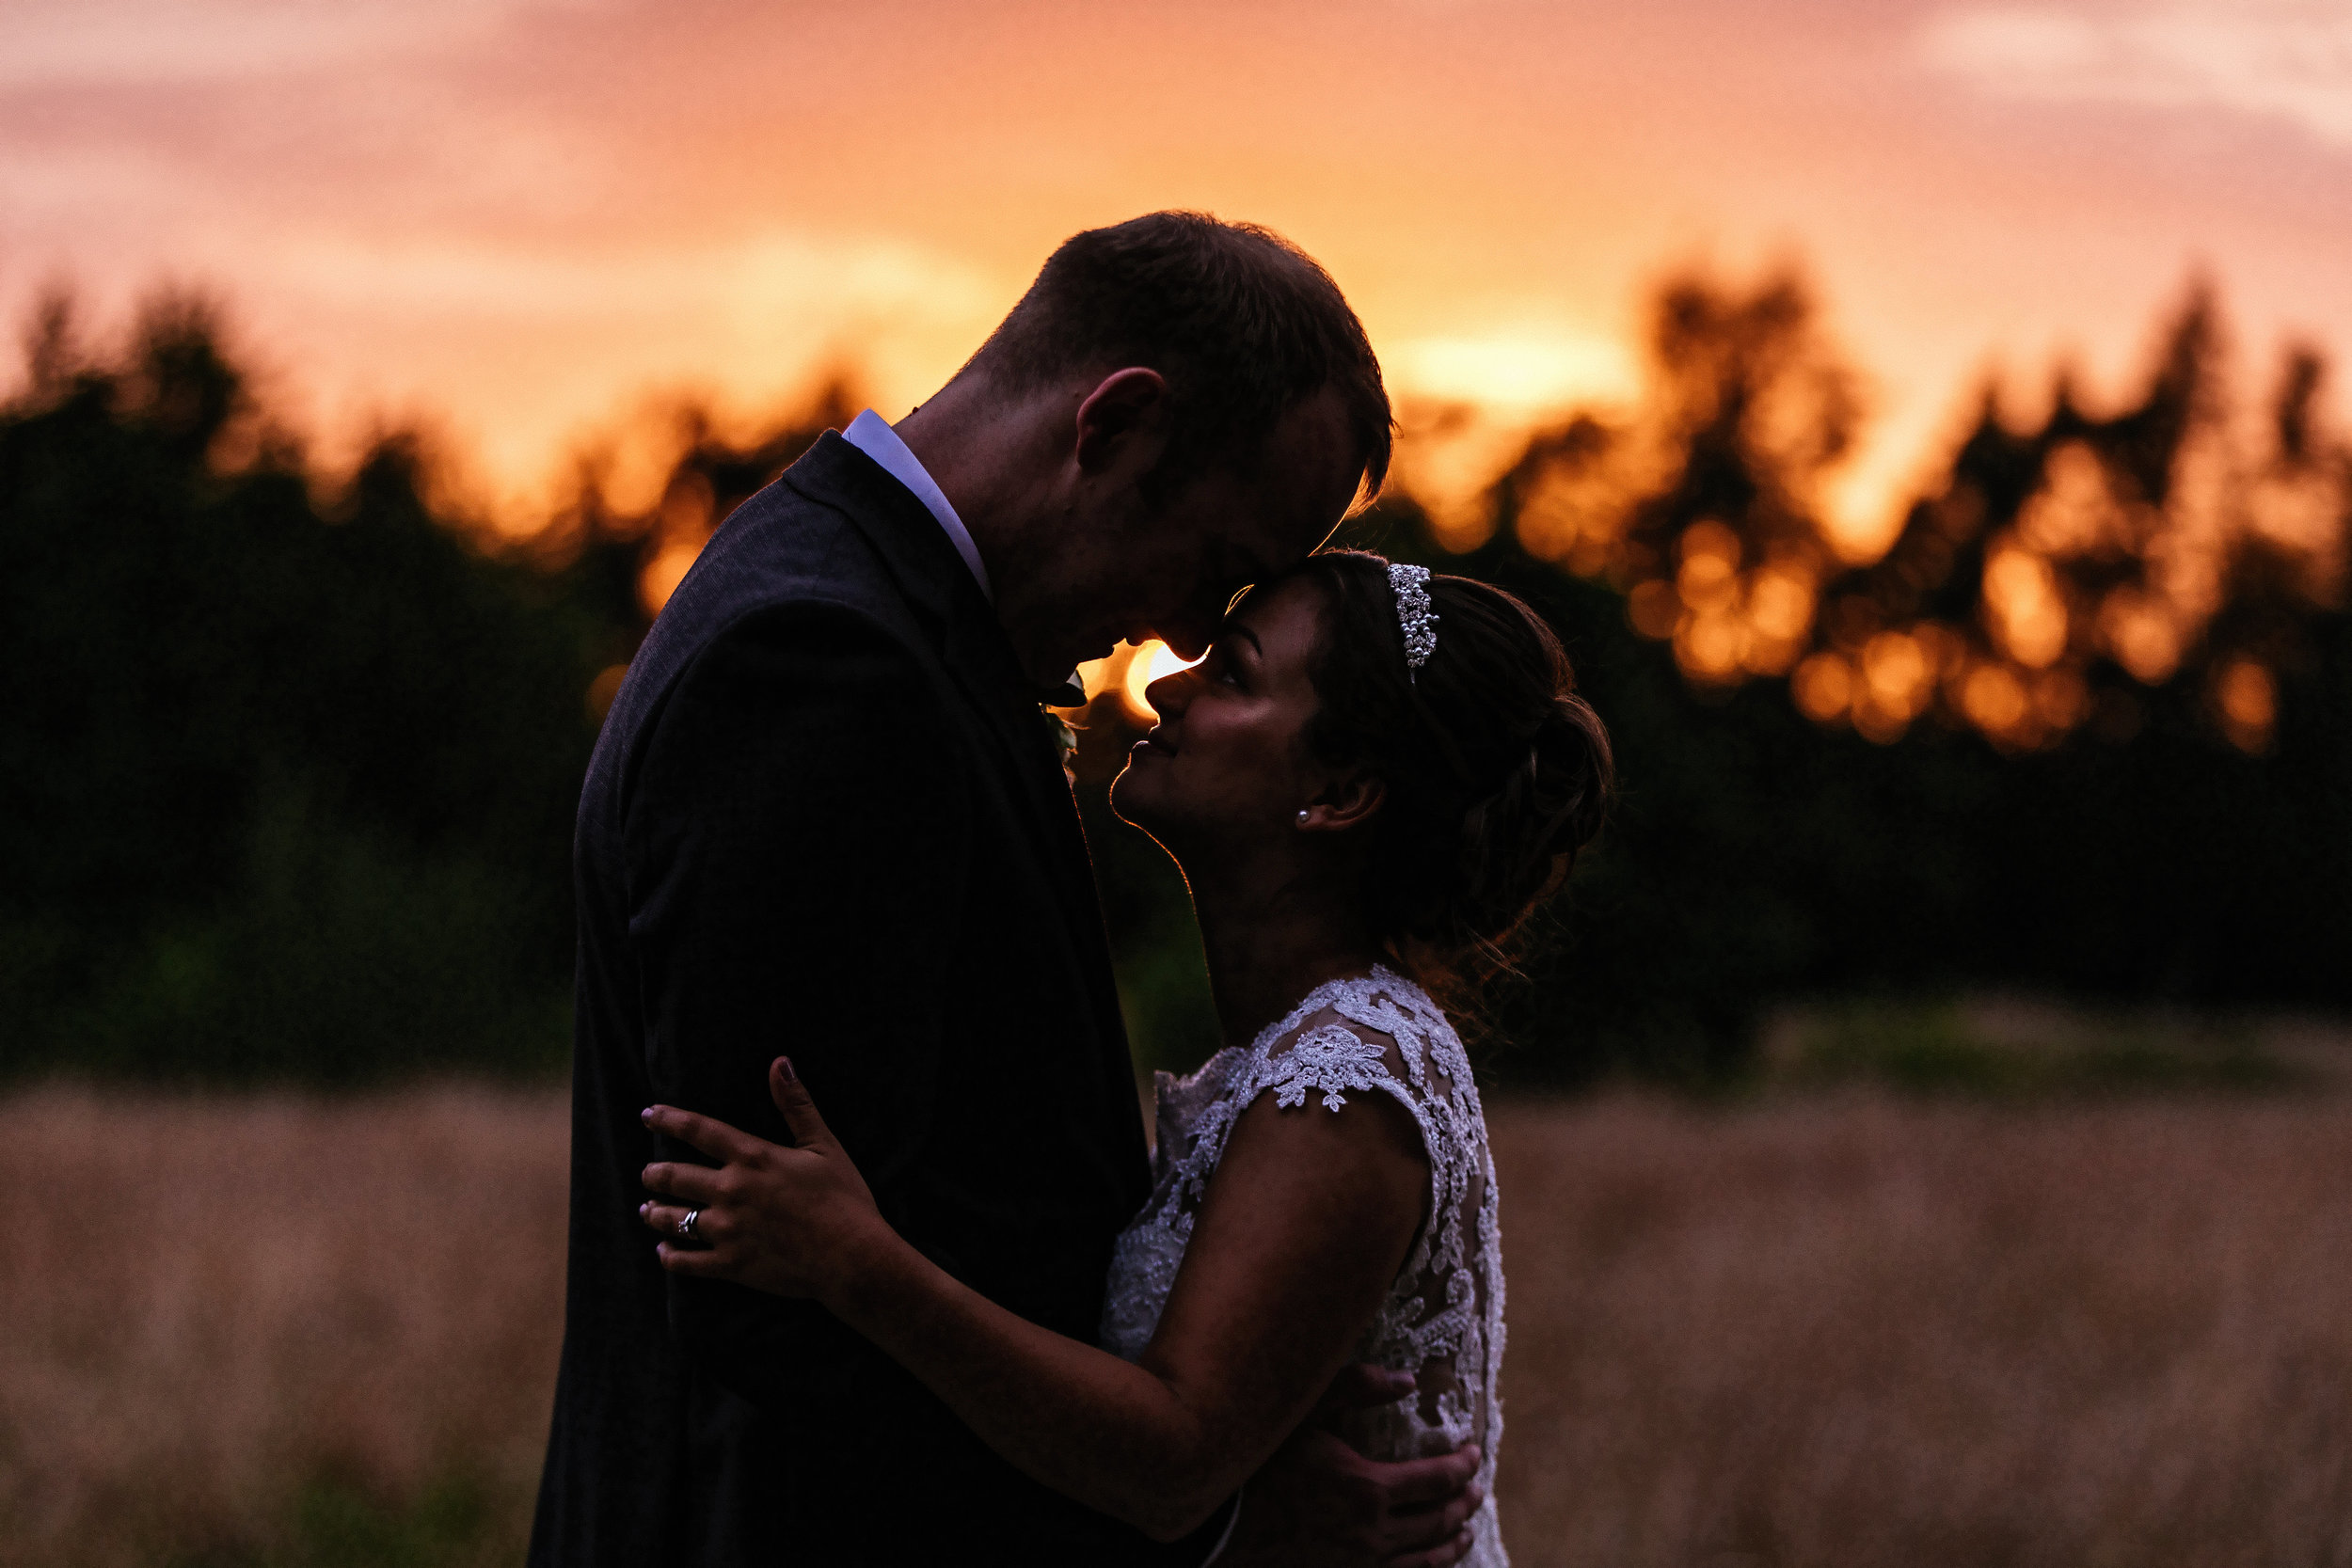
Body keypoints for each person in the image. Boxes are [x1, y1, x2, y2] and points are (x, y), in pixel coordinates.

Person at [529, 214, 1488, 1567]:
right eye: (1217, 570)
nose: (1180, 646)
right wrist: (1214, 1520)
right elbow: (773, 1317)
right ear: (1115, 428)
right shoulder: (824, 665)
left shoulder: (878, 615)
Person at [638, 551, 1615, 1567]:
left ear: (1339, 792)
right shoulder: (1292, 1053)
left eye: (1232, 673)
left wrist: (858, 1262)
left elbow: (1173, 1458)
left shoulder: (1347, 1080)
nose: (1161, 680)